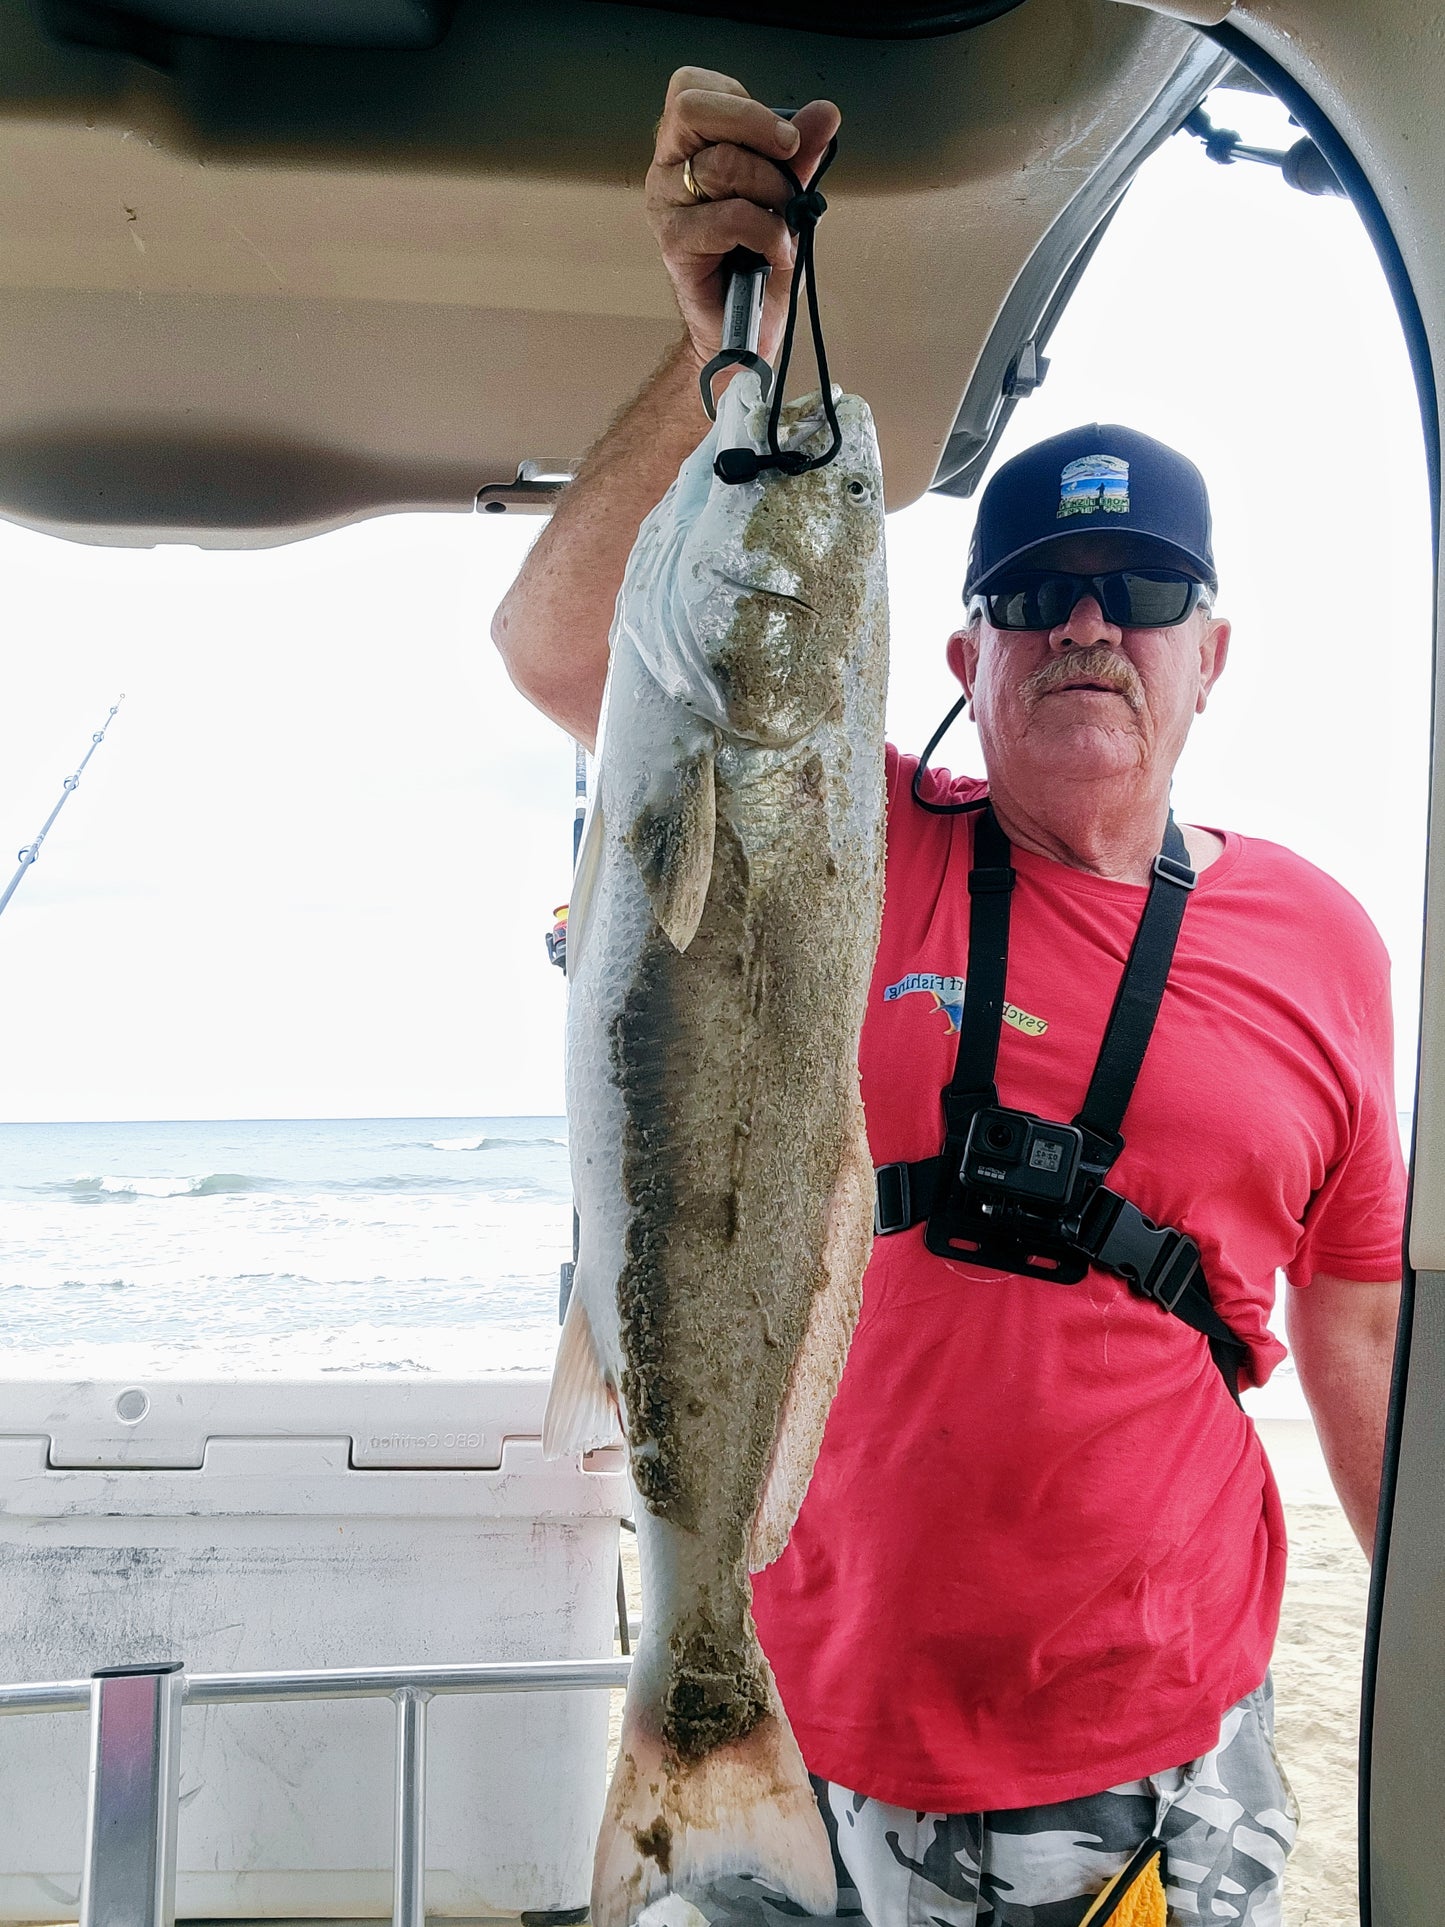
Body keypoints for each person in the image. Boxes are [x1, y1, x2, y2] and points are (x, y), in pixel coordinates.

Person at [492, 67, 1406, 1927]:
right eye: (1040, 587)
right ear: (961, 648)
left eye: (1137, 586)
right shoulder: (846, 835)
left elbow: (1362, 1330)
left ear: (1207, 650)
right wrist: (714, 350)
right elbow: (562, 652)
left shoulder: (1323, 938)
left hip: (1135, 1761)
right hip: (799, 1716)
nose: (1089, 622)